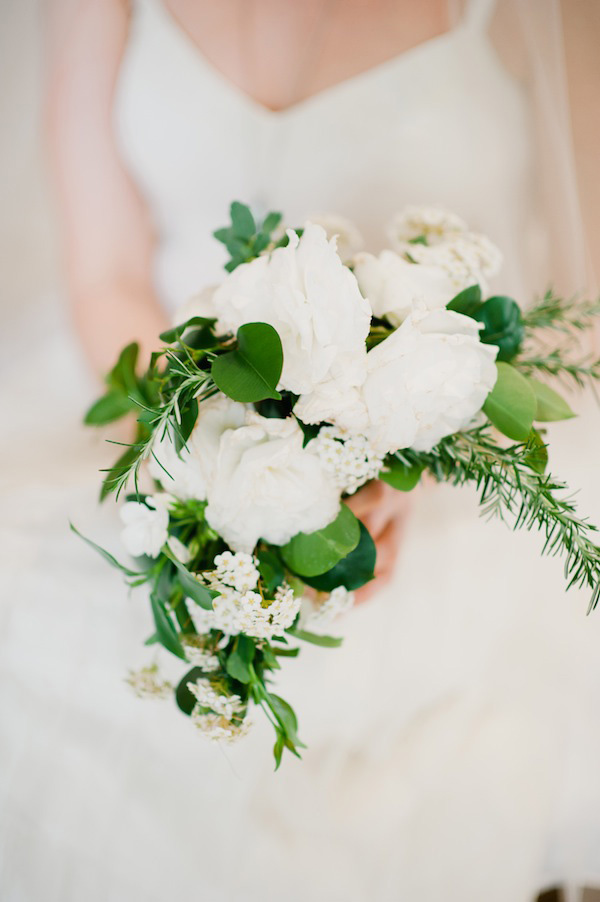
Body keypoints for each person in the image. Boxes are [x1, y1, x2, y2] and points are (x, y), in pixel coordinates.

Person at [2, 1, 599, 899]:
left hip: (444, 455)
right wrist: (202, 462)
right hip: (153, 399)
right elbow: (108, 275)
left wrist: (384, 464)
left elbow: (579, 299)